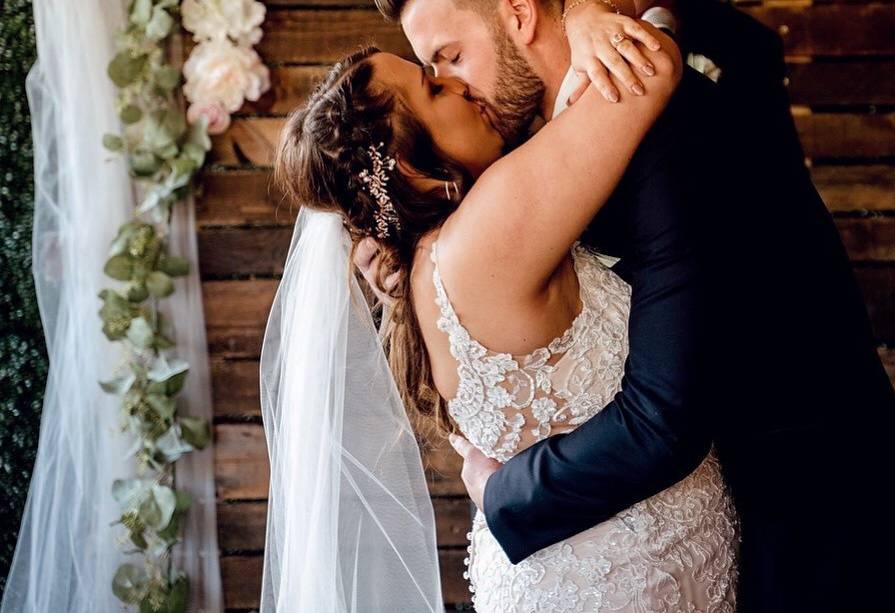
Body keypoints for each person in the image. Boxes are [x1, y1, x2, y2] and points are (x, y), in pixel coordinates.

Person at [357, 0, 895, 611]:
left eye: (453, 59)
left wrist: (504, 495)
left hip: (814, 512)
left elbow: (664, 417)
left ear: (519, 15)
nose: (459, 89)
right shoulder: (537, 157)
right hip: (676, 542)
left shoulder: (658, 122)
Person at [267, 6, 745, 606]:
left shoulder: (429, 260)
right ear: (414, 170)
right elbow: (646, 65)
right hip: (610, 584)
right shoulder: (487, 229)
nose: (459, 86)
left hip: (600, 566)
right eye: (435, 87)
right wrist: (589, 17)